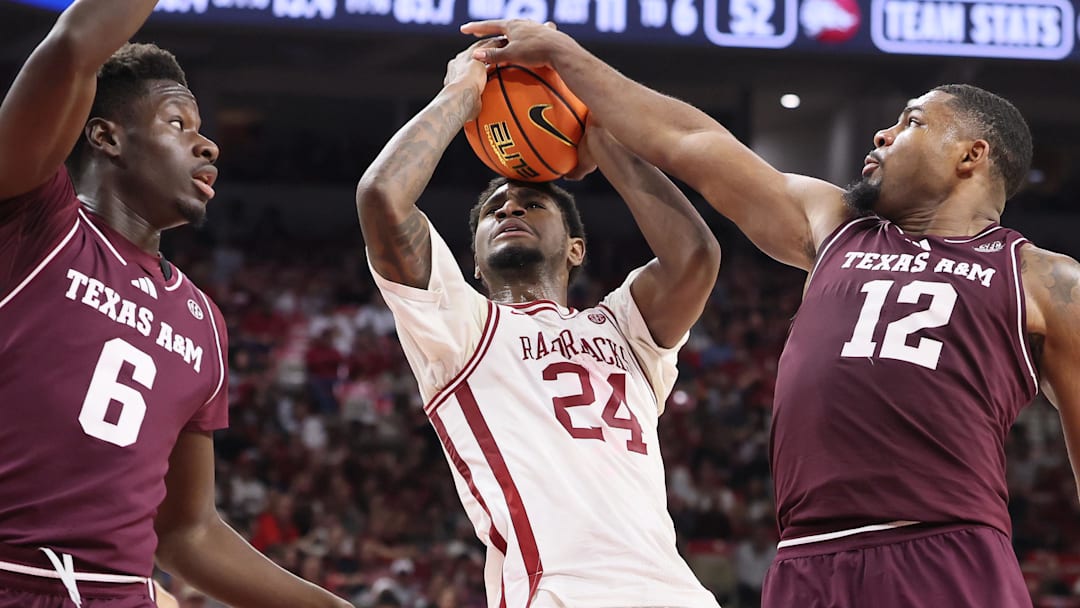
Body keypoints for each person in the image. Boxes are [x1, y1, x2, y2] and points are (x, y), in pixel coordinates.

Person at [460, 19, 1080, 608]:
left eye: (911, 122)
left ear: (970, 156)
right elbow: (695, 142)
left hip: (943, 545)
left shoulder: (1047, 281)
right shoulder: (835, 224)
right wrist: (564, 55)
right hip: (805, 558)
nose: (882, 135)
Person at [0, 2, 351, 607]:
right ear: (106, 136)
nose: (208, 144)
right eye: (176, 123)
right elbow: (74, 47)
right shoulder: (34, 218)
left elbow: (187, 531)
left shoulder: (203, 321)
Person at [355, 39, 722, 607]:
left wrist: (598, 136)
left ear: (576, 249)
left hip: (676, 593)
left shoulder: (625, 330)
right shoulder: (459, 327)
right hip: (560, 593)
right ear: (471, 263)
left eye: (531, 203)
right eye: (494, 209)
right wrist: (460, 96)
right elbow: (382, 198)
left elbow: (695, 255)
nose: (509, 209)